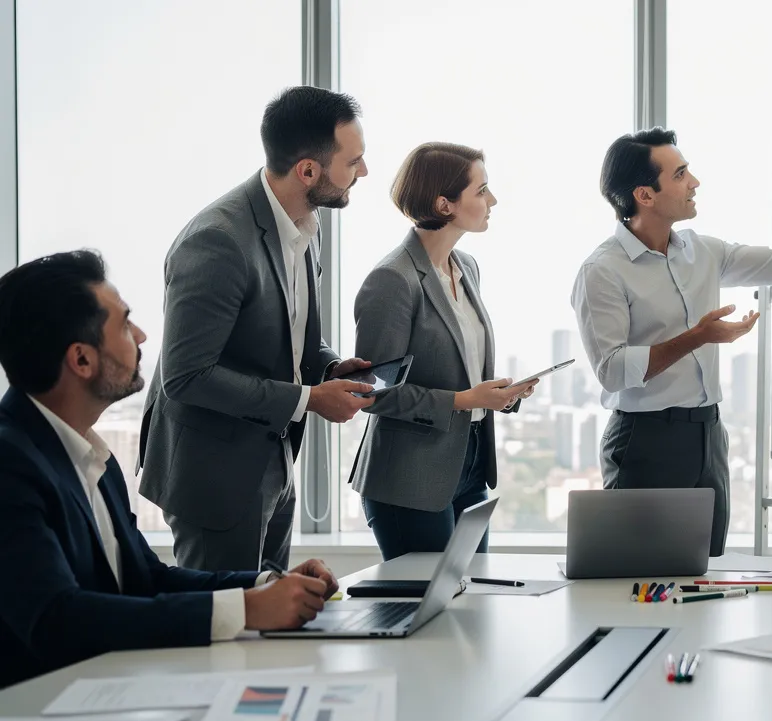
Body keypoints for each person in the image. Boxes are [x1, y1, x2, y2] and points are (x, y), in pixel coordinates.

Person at [0, 251, 340, 689]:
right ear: (81, 360)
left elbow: (146, 578)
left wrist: (266, 583)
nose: (141, 336)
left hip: (105, 691)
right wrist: (247, 611)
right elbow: (56, 619)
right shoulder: (10, 464)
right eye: (125, 324)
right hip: (41, 709)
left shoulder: (92, 457)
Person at [571, 127, 772, 556]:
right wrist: (698, 337)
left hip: (708, 435)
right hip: (644, 439)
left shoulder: (702, 251)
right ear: (644, 195)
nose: (694, 182)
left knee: (702, 568)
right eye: (680, 174)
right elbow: (612, 371)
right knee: (637, 570)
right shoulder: (602, 270)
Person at [138, 86, 375, 573]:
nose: (364, 171)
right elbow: (186, 376)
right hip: (214, 476)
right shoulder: (217, 241)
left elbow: (291, 336)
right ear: (307, 171)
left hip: (273, 459)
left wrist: (329, 367)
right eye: (353, 162)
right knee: (226, 615)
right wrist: (309, 399)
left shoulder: (305, 226)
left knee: (272, 609)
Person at [351, 143, 534, 560]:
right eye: (481, 190)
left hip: (469, 465)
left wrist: (497, 395)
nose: (492, 200)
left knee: (473, 593)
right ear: (443, 204)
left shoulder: (466, 266)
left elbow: (459, 367)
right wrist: (465, 399)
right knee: (427, 598)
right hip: (411, 478)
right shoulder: (392, 280)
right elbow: (373, 394)